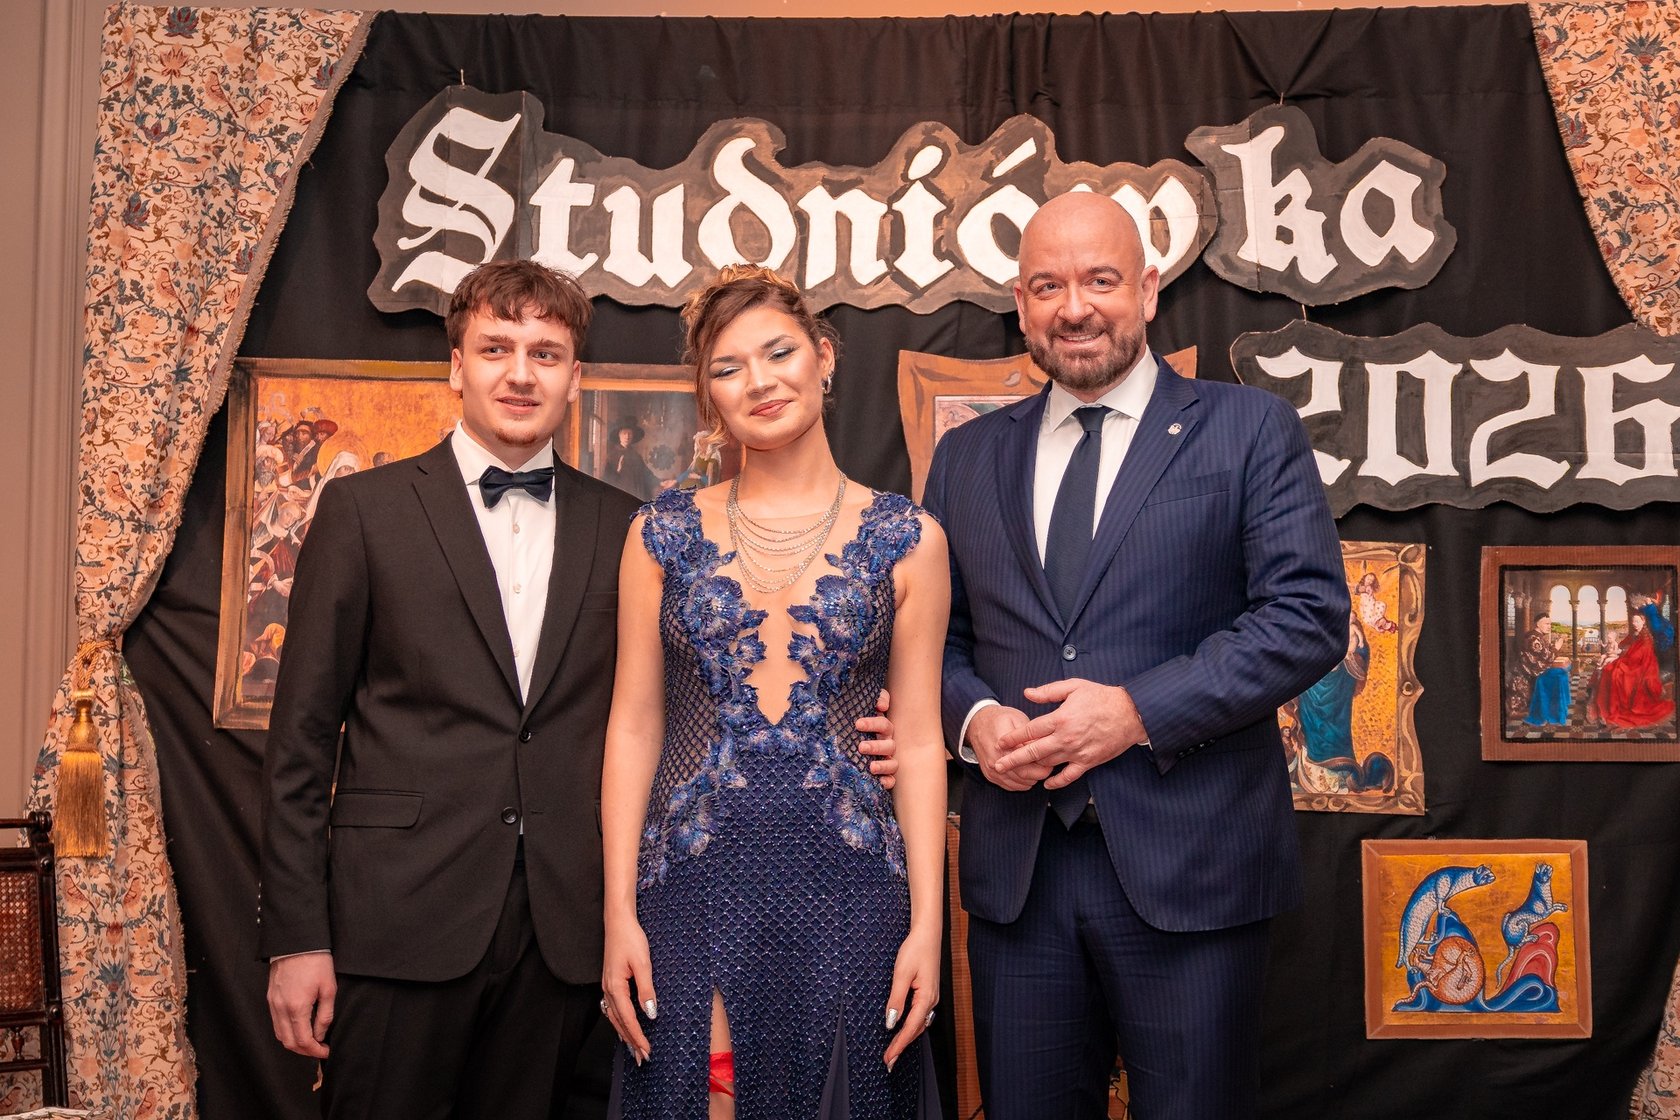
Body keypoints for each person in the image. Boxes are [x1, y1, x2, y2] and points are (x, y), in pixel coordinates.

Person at [921, 192, 1348, 1120]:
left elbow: (1307, 616)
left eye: (1100, 280)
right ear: (1021, 306)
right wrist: (974, 720)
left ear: (1149, 291)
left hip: (1193, 868)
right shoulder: (965, 459)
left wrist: (1136, 712)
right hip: (1019, 877)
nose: (1074, 307)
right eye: (1048, 287)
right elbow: (934, 642)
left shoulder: (1249, 429)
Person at [259, 259, 651, 1119]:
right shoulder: (362, 511)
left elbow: (655, 716)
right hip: (396, 920)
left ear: (575, 377)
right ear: (456, 366)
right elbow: (300, 743)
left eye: (546, 354)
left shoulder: (627, 526)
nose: (521, 374)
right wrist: (295, 937)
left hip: (562, 932)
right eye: (496, 348)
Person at [600, 264, 947, 1119]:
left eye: (779, 352)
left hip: (855, 888)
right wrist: (617, 914)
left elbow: (919, 742)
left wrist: (928, 928)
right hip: (691, 881)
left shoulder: (909, 538)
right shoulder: (659, 534)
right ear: (707, 395)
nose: (759, 381)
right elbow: (634, 728)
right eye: (728, 367)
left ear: (824, 357)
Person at [1589, 598, 1676, 728]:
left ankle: (1611, 709)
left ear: (1643, 621)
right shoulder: (1636, 634)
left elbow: (1638, 656)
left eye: (1637, 621)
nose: (1634, 624)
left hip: (1642, 667)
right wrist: (1622, 654)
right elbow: (1628, 648)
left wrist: (1622, 659)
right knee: (1608, 669)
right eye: (1633, 621)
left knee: (1616, 673)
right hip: (1633, 663)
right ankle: (1603, 707)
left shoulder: (1646, 637)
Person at [604, 420, 659, 500]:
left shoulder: (636, 456)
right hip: (621, 494)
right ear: (619, 435)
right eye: (624, 433)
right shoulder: (612, 456)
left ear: (633, 436)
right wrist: (618, 470)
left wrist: (659, 482)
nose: (627, 436)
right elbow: (607, 479)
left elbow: (646, 472)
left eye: (630, 433)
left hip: (637, 492)